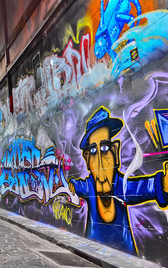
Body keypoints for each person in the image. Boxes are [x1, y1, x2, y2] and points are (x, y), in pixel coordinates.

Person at [68, 106, 168, 254]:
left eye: (105, 149)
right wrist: (70, 185)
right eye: (94, 152)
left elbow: (144, 187)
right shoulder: (89, 186)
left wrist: (163, 183)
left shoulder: (122, 187)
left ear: (115, 151)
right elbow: (75, 185)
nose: (101, 163)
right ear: (87, 159)